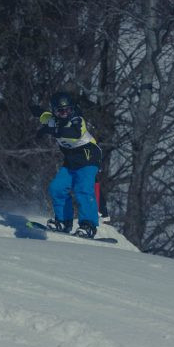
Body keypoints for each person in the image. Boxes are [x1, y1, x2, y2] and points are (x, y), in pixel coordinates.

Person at [32, 91, 102, 238]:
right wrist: (35, 110)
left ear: (72, 109)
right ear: (54, 111)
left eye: (67, 110)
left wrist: (52, 130)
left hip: (88, 155)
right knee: (57, 188)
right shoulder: (52, 120)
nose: (64, 114)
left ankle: (88, 225)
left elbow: (74, 133)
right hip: (71, 159)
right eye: (60, 111)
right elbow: (44, 116)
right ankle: (63, 222)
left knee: (82, 188)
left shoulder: (77, 119)